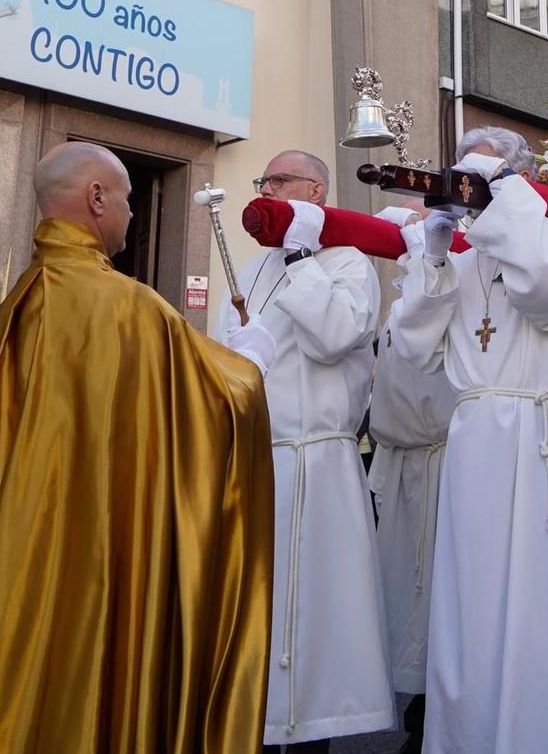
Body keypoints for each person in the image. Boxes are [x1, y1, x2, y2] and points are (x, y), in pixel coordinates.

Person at [0, 142, 273, 753]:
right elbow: (218, 401)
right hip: (92, 545)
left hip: (18, 544)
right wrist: (254, 359)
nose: (132, 214)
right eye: (128, 199)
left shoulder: (14, 307)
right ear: (97, 198)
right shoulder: (126, 306)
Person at [389, 127, 548, 753]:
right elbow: (414, 345)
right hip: (476, 442)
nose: (470, 184)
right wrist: (433, 252)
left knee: (547, 604)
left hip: (543, 433)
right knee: (473, 603)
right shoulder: (462, 251)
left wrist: (506, 196)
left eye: (485, 173)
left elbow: (547, 290)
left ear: (518, 179)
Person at [234, 152, 393, 753]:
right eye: (264, 180)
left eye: (279, 181)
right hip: (263, 456)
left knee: (319, 611)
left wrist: (302, 256)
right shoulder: (249, 270)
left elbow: (333, 337)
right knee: (265, 610)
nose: (267, 190)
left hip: (320, 458)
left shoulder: (348, 263)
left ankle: (316, 735)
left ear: (315, 191)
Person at [366, 208, 461, 754]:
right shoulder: (404, 299)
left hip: (442, 462)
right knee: (405, 598)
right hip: (402, 460)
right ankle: (415, 712)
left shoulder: (445, 291)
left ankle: (433, 718)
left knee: (435, 602)